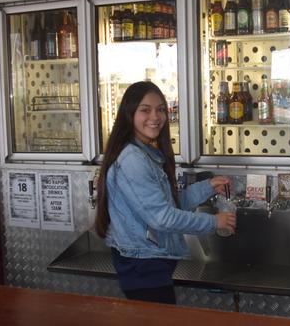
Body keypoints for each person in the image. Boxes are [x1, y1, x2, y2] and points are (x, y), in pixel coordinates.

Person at [94, 81, 236, 305]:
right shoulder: (133, 159)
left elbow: (166, 205)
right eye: (145, 109)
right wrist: (213, 222)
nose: (155, 116)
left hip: (148, 261)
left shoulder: (145, 153)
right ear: (129, 113)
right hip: (142, 265)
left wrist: (207, 187)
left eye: (160, 109)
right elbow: (162, 218)